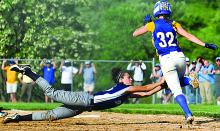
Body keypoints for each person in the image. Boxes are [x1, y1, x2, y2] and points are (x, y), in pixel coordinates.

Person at [133, 0, 218, 123]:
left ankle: (188, 114)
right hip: (180, 57)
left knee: (176, 89)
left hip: (166, 59)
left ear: (156, 11)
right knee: (176, 80)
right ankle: (189, 80)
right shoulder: (174, 23)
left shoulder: (152, 24)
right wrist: (205, 44)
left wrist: (146, 24)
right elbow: (189, 36)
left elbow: (135, 34)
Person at [3, 65, 166, 123]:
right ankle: (29, 72)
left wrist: (165, 85)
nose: (131, 79)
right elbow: (145, 88)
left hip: (83, 107)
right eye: (128, 77)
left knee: (50, 115)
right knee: (51, 92)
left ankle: (18, 117)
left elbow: (146, 94)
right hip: (83, 99)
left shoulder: (124, 93)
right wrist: (163, 80)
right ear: (121, 80)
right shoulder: (125, 89)